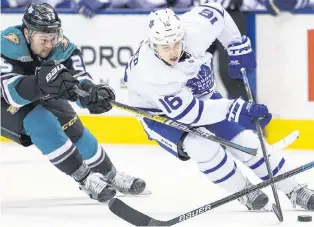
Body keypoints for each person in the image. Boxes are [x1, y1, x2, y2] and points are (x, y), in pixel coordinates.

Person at [124, 3, 314, 210]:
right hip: (159, 113)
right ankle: (244, 191)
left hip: (200, 98)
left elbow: (219, 12)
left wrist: (235, 45)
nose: (173, 52)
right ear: (153, 45)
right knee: (202, 148)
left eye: (177, 44)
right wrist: (235, 109)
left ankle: (294, 190)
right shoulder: (152, 75)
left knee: (246, 141)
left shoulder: (195, 30)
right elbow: (191, 114)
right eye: (165, 47)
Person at [0, 3, 146, 203]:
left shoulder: (62, 46)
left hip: (38, 92)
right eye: (43, 39)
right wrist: (42, 82)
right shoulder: (8, 43)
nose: (50, 44)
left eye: (53, 37)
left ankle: (110, 175)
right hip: (4, 100)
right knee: (41, 122)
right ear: (27, 33)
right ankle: (85, 179)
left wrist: (92, 93)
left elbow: (78, 79)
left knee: (72, 125)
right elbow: (12, 94)